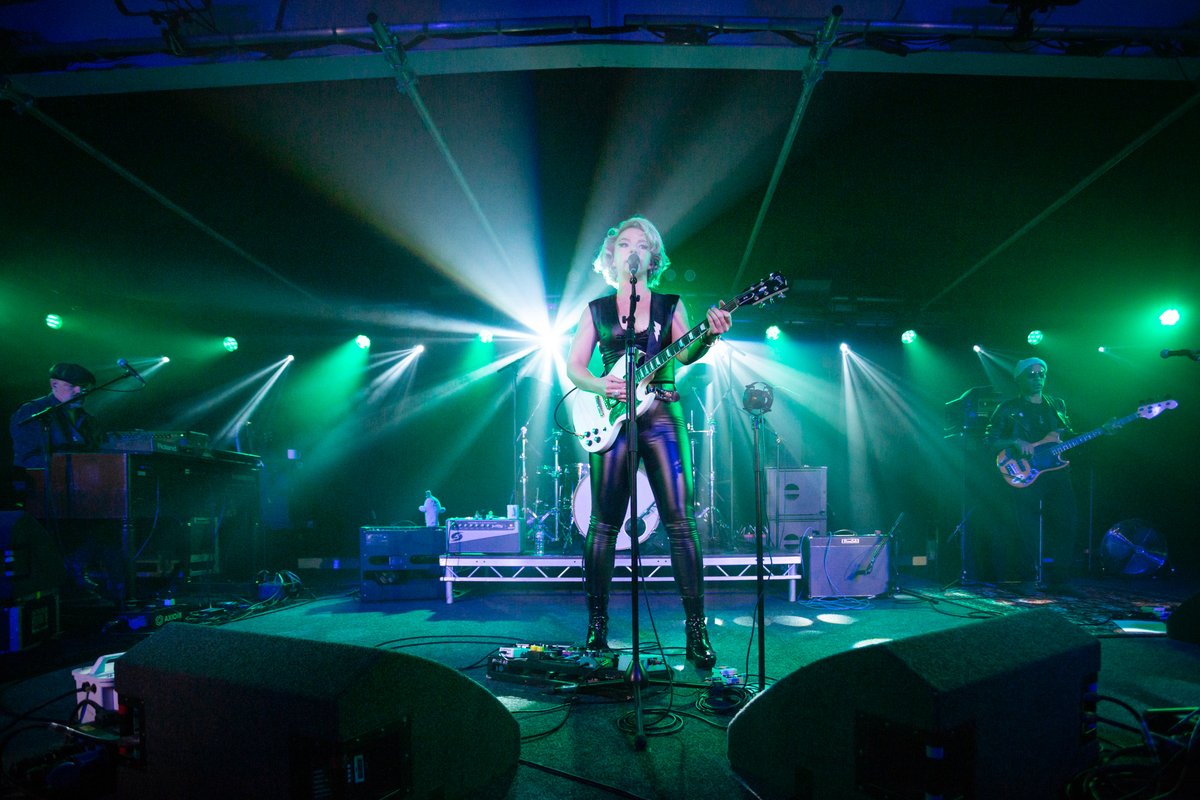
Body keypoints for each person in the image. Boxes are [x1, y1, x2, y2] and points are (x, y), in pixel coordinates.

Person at [566, 215, 731, 668]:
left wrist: (710, 336)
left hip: (662, 412)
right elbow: (575, 368)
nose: (632, 249)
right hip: (612, 415)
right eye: (624, 243)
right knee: (603, 525)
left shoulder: (669, 304)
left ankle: (696, 631)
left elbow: (687, 349)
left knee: (681, 523)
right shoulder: (597, 309)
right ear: (612, 255)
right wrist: (603, 388)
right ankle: (596, 627)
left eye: (642, 244)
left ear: (652, 257)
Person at [984, 357, 1077, 590]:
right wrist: (1015, 441)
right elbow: (989, 441)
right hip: (1026, 473)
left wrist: (1104, 430)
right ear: (1019, 378)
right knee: (1027, 526)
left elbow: (1067, 435)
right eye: (1031, 374)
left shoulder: (1057, 404)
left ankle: (1060, 579)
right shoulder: (1008, 408)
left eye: (1041, 373)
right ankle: (1027, 577)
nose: (1037, 378)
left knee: (1066, 521)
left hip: (1056, 471)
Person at [10, 362, 101, 469]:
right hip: (39, 482)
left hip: (79, 480)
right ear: (54, 384)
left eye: (83, 386)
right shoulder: (32, 409)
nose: (79, 391)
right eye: (72, 386)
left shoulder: (87, 418)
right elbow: (27, 455)